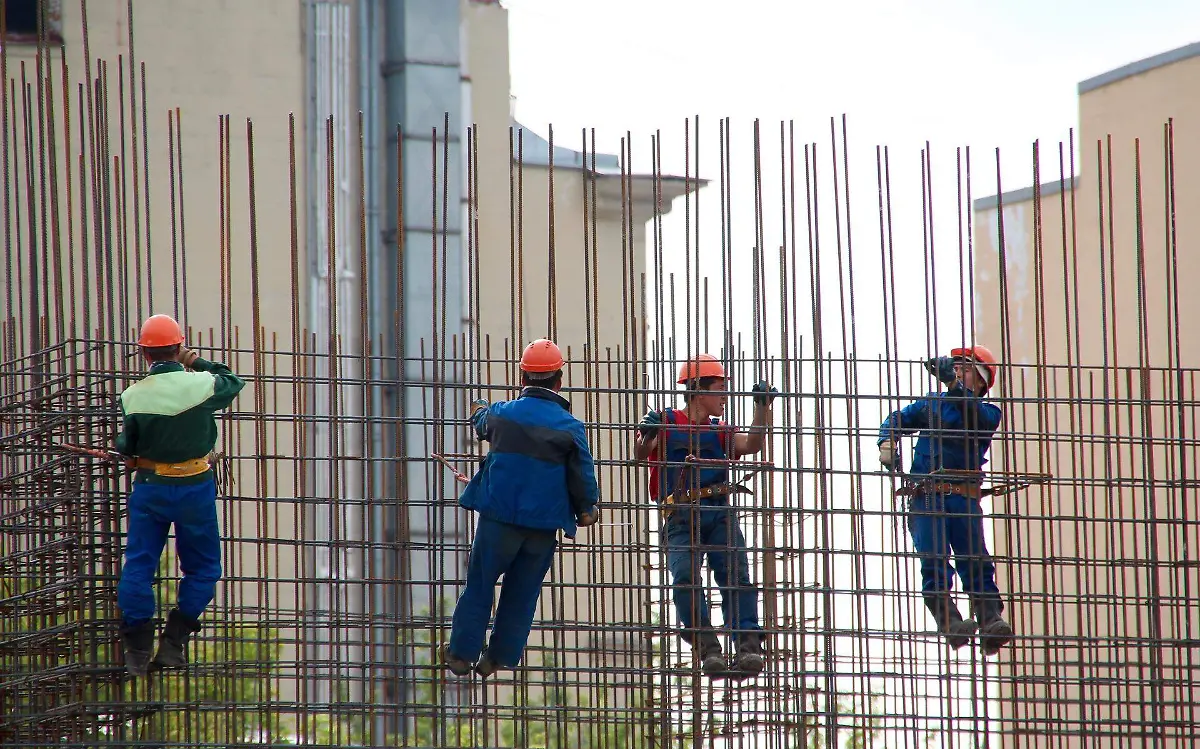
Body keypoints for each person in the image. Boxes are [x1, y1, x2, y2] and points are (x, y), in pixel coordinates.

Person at [442, 338, 600, 678]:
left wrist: (478, 407)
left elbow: (481, 422)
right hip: (542, 528)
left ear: (522, 379)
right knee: (522, 593)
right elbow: (582, 473)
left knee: (481, 584)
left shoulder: (502, 414)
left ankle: (461, 653)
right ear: (559, 381)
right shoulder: (571, 427)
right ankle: (499, 657)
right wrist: (587, 508)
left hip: (499, 521)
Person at [114, 314, 245, 676]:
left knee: (139, 565)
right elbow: (233, 380)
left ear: (143, 353)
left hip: (151, 487)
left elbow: (128, 445)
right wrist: (194, 360)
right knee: (203, 568)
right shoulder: (201, 385)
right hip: (194, 488)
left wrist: (131, 453)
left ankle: (137, 649)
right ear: (179, 346)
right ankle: (174, 641)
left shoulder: (132, 396)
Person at [635, 354, 778, 677]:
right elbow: (642, 453)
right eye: (719, 389)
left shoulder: (722, 431)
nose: (725, 397)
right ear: (699, 390)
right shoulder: (665, 421)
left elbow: (752, 444)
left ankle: (747, 646)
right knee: (684, 576)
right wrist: (648, 433)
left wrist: (762, 407)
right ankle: (707, 647)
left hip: (719, 513)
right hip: (680, 514)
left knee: (736, 574)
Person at [876, 344, 1014, 656]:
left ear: (981, 380)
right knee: (934, 561)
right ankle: (950, 623)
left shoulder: (987, 413)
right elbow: (898, 417)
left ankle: (990, 619)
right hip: (928, 498)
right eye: (955, 368)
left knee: (975, 559)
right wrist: (887, 439)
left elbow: (971, 412)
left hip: (963, 498)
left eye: (964, 369)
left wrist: (953, 385)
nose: (956, 372)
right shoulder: (931, 406)